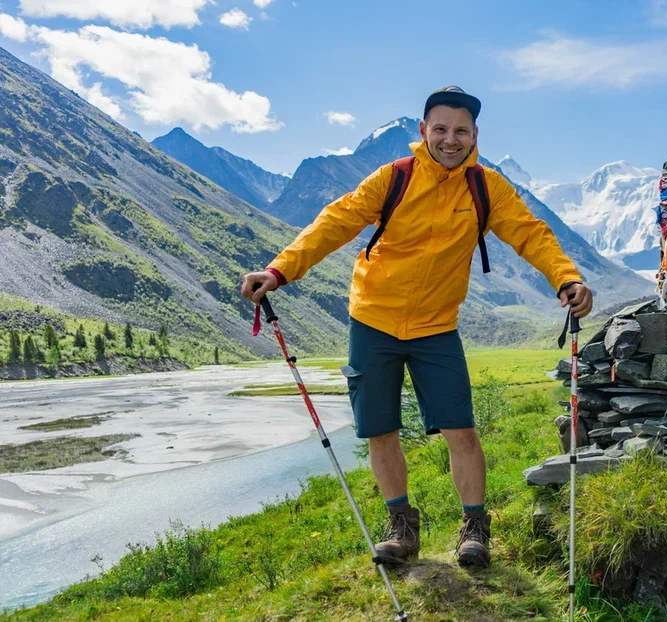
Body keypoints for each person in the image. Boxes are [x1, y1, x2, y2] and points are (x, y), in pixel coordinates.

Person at [240, 85, 593, 568]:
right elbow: (334, 223)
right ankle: (401, 528)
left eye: (461, 131)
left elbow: (531, 234)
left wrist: (566, 277)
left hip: (436, 327)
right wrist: (279, 270)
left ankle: (473, 529)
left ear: (475, 136)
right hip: (373, 320)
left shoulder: (487, 188)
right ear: (423, 130)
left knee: (461, 429)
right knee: (380, 430)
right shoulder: (393, 178)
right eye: (441, 129)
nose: (451, 139)